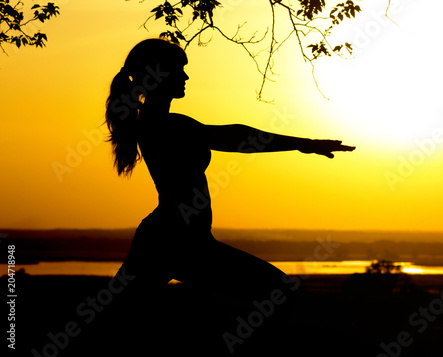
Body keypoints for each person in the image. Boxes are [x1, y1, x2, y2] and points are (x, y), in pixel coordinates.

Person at [103, 38, 355, 356]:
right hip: (177, 243)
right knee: (279, 292)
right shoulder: (163, 125)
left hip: (173, 240)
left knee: (117, 322)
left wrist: (301, 143)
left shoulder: (166, 123)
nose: (185, 77)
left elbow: (234, 135)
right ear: (156, 74)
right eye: (178, 69)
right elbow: (235, 136)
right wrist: (301, 142)